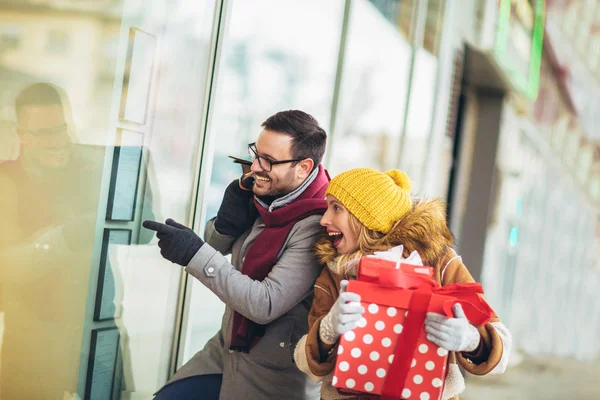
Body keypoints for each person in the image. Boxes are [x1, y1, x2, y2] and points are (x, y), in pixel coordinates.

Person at [143, 110, 330, 399]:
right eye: (256, 153)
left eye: (268, 160)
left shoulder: (316, 225)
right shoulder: (263, 195)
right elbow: (214, 246)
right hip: (226, 348)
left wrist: (193, 252)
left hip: (272, 372)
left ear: (304, 167)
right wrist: (224, 225)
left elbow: (264, 303)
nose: (255, 166)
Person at [294, 168, 511, 400]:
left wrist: (471, 340)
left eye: (336, 208)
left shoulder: (440, 262)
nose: (325, 219)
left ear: (366, 217)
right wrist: (327, 330)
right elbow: (307, 364)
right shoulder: (333, 273)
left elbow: (502, 352)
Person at [0, 82, 105, 399]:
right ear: (21, 135)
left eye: (61, 128)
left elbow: (139, 232)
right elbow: (7, 269)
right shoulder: (6, 183)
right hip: (34, 349)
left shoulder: (87, 171)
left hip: (95, 338)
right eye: (45, 133)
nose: (58, 141)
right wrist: (62, 238)